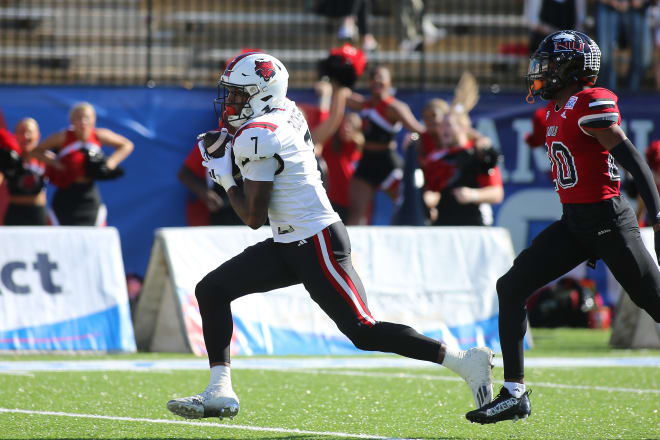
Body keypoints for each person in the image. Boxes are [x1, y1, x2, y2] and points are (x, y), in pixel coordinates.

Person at [166, 52, 495, 421]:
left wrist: (223, 174)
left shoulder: (259, 134)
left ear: (262, 94)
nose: (231, 102)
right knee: (212, 290)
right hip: (293, 240)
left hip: (316, 241)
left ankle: (465, 361)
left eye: (240, 94)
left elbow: (253, 217)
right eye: (231, 93)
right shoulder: (283, 112)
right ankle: (219, 390)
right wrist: (229, 151)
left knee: (363, 331)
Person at [466, 30, 660, 424]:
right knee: (512, 286)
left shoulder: (589, 101)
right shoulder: (557, 109)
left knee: (655, 303)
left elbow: (631, 156)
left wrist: (656, 210)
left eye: (551, 63)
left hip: (608, 219)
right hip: (576, 223)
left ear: (573, 68)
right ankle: (514, 393)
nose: (542, 70)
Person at [346, 65, 426, 225]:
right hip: (366, 163)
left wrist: (414, 139)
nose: (376, 80)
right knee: (357, 212)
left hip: (388, 164)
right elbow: (342, 95)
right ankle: (350, 248)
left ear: (390, 82)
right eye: (373, 77)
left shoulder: (395, 107)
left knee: (409, 206)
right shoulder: (365, 104)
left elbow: (420, 130)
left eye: (381, 77)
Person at [30, 102, 133, 226]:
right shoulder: (63, 137)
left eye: (87, 117)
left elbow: (127, 145)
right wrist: (56, 163)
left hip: (89, 194)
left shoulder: (99, 135)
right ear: (72, 120)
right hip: (66, 193)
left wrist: (110, 163)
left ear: (93, 120)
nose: (83, 121)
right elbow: (36, 151)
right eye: (78, 117)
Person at [417, 105, 504, 226]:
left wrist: (473, 195)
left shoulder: (479, 155)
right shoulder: (434, 157)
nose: (442, 130)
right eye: (441, 125)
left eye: (448, 125)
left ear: (464, 128)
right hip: (443, 225)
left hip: (473, 225)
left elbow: (497, 193)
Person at [178, 130, 242, 226]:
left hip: (253, 206)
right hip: (223, 211)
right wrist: (206, 193)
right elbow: (184, 173)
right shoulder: (216, 139)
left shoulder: (257, 136)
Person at [0, 118, 48, 225]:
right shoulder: (7, 158)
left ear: (38, 136)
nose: (25, 136)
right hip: (15, 213)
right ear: (14, 135)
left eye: (29, 132)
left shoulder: (46, 158)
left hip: (38, 213)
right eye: (21, 132)